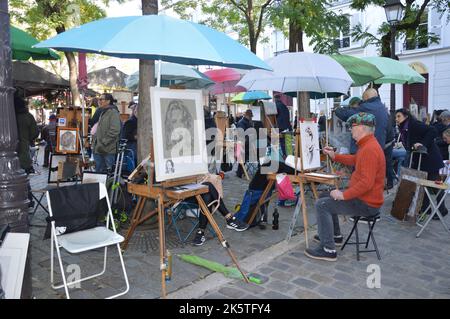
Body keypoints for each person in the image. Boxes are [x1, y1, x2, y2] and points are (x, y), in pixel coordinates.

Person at [305, 113, 385, 262]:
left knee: (322, 204)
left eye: (352, 127)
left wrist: (344, 195)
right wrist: (335, 156)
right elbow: (355, 159)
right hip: (364, 199)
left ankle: (328, 249)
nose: (351, 131)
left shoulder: (369, 149)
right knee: (324, 196)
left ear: (361, 128)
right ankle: (335, 235)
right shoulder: (367, 145)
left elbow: (366, 184)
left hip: (366, 203)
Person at [395, 108, 446, 218]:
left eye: (398, 116)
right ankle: (426, 209)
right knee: (424, 185)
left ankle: (442, 209)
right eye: (396, 117)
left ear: (406, 116)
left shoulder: (414, 124)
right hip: (421, 160)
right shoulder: (404, 127)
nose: (396, 119)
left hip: (431, 158)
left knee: (436, 185)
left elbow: (432, 130)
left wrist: (422, 144)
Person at [192, 180, 249, 246]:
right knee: (208, 186)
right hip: (182, 196)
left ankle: (200, 232)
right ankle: (229, 218)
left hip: (193, 189)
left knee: (208, 196)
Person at [335, 89, 388, 154]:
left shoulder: (366, 107)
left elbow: (344, 115)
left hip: (365, 148)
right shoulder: (382, 107)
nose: (362, 101)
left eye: (363, 99)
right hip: (378, 147)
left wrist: (337, 109)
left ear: (366, 97)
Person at [92, 93, 121, 173]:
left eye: (101, 99)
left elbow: (115, 130)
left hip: (107, 149)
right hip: (99, 148)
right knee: (99, 173)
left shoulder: (113, 113)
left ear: (108, 101)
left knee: (108, 174)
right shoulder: (103, 112)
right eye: (99, 99)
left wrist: (103, 142)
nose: (99, 101)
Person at [14, 93, 39, 174]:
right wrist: (27, 139)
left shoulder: (8, 116)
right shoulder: (28, 116)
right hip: (23, 153)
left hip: (7, 158)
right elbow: (35, 132)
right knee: (24, 179)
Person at [236, 109, 254, 178]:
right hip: (243, 143)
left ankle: (240, 172)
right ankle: (239, 172)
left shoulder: (247, 122)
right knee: (242, 158)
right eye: (250, 116)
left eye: (251, 117)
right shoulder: (241, 122)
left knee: (243, 158)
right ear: (246, 115)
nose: (250, 118)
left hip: (247, 143)